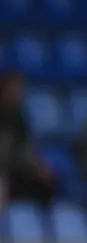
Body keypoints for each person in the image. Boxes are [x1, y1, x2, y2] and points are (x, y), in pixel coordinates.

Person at [0, 71, 54, 204]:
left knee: (45, 184)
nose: (16, 92)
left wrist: (36, 166)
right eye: (12, 88)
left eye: (19, 88)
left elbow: (26, 147)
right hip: (6, 169)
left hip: (18, 170)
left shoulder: (19, 117)